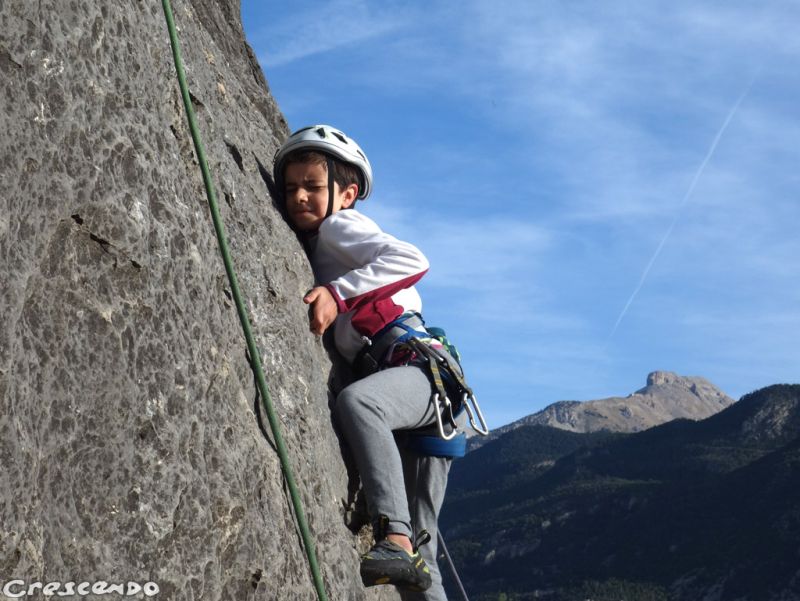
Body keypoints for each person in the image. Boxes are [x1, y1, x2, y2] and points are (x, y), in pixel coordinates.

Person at [274, 125, 476, 601]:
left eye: (313, 186)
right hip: (426, 401)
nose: (299, 196)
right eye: (290, 187)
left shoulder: (339, 227)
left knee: (360, 405)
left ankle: (395, 537)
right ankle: (403, 545)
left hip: (419, 376)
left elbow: (412, 257)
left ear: (346, 195)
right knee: (417, 569)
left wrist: (336, 292)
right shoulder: (327, 244)